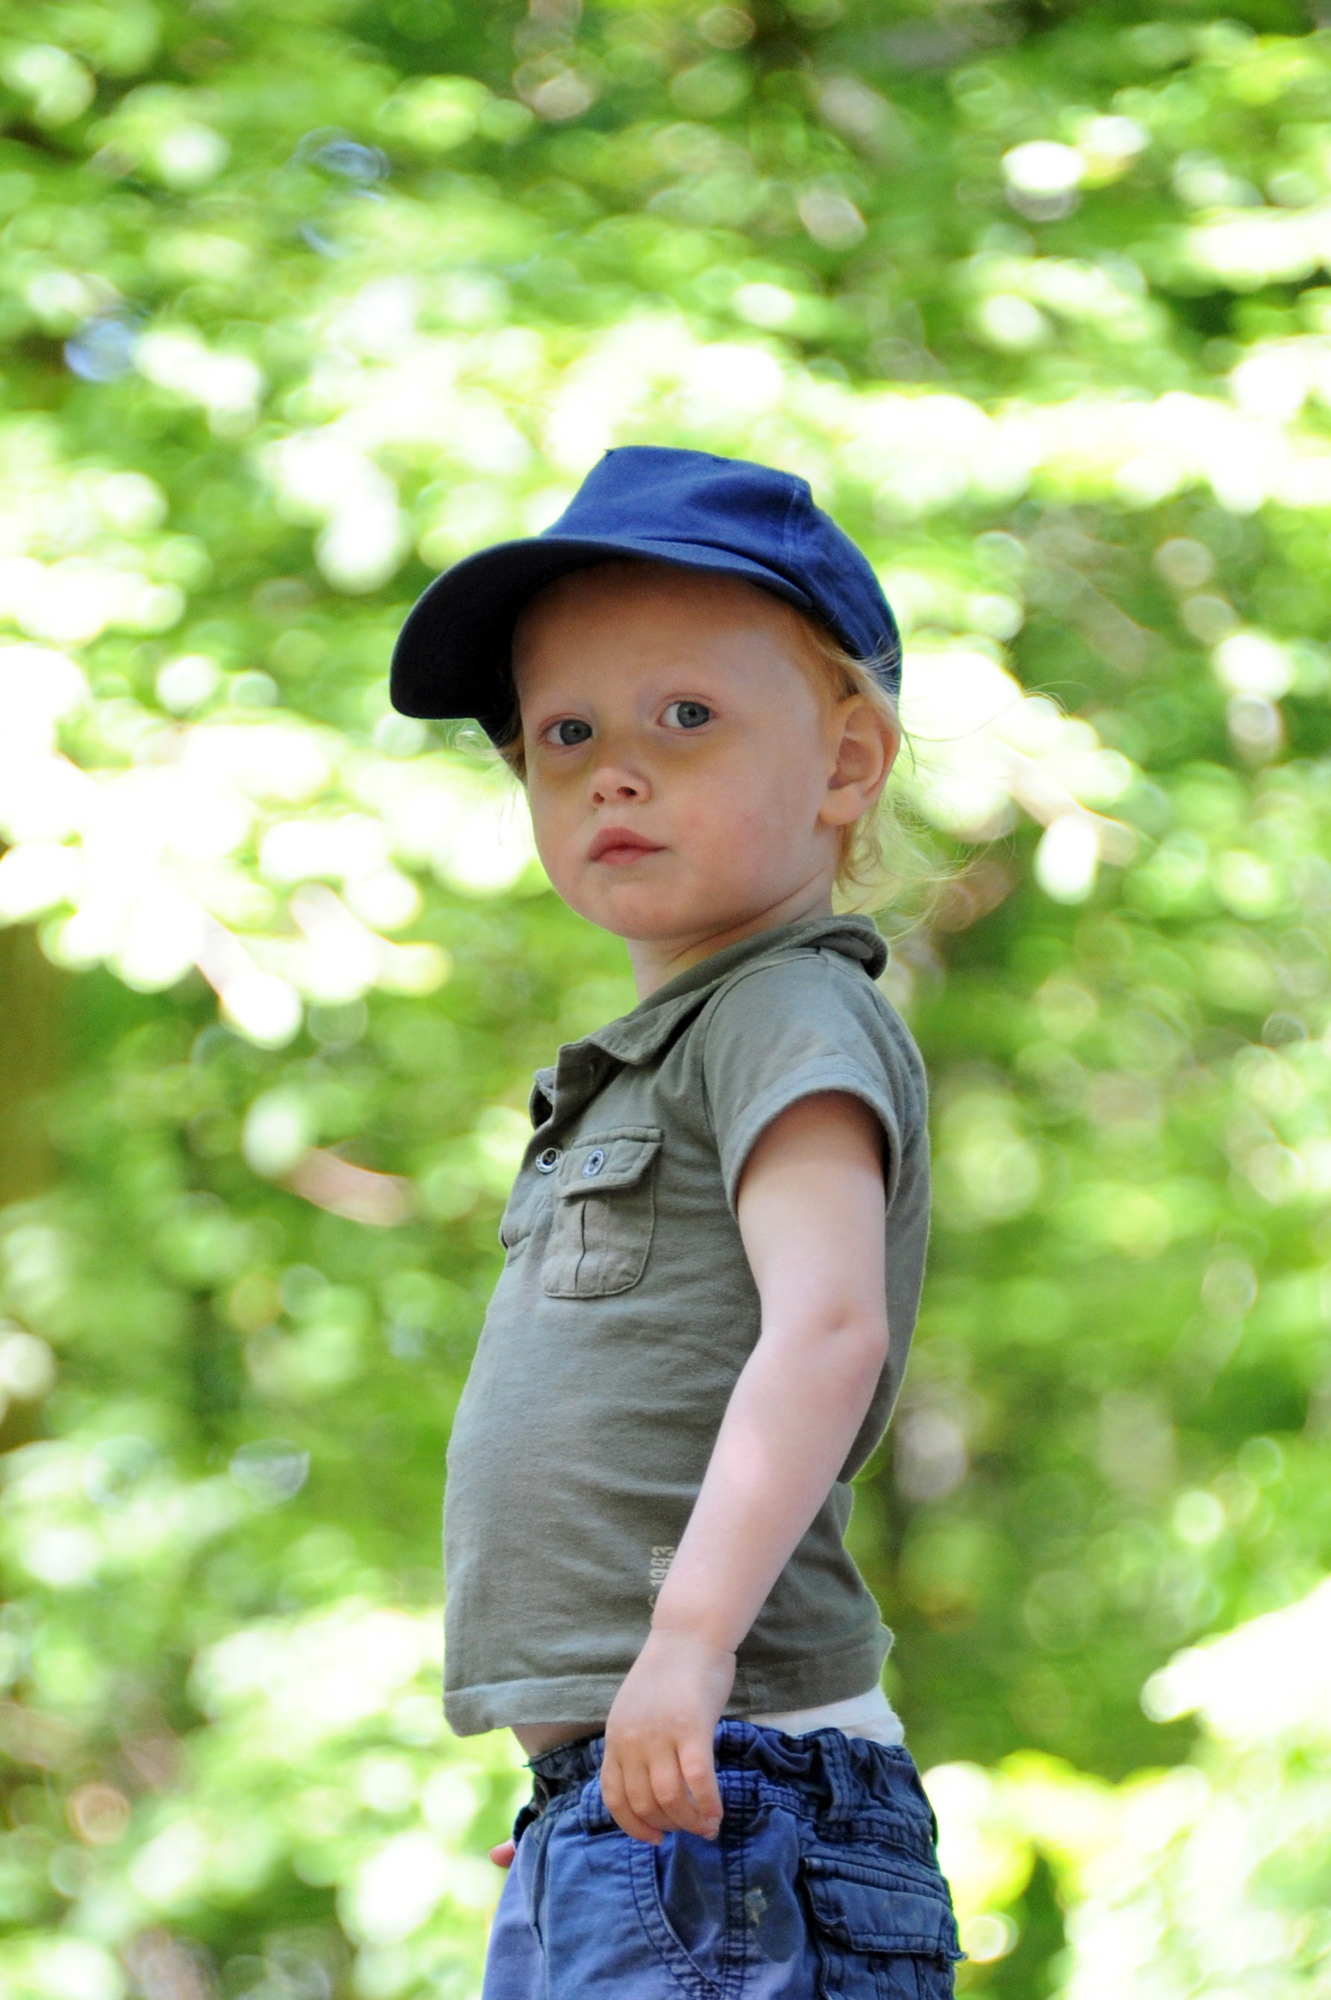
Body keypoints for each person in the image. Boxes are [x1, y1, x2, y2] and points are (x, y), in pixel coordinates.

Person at [391, 447, 960, 1996]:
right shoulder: (665, 1051)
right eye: (565, 732)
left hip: (738, 1789)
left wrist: (689, 1649)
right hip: (643, 1805)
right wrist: (592, 1769)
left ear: (846, 762)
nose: (614, 772)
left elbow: (827, 1328)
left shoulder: (783, 1013)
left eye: (686, 717)